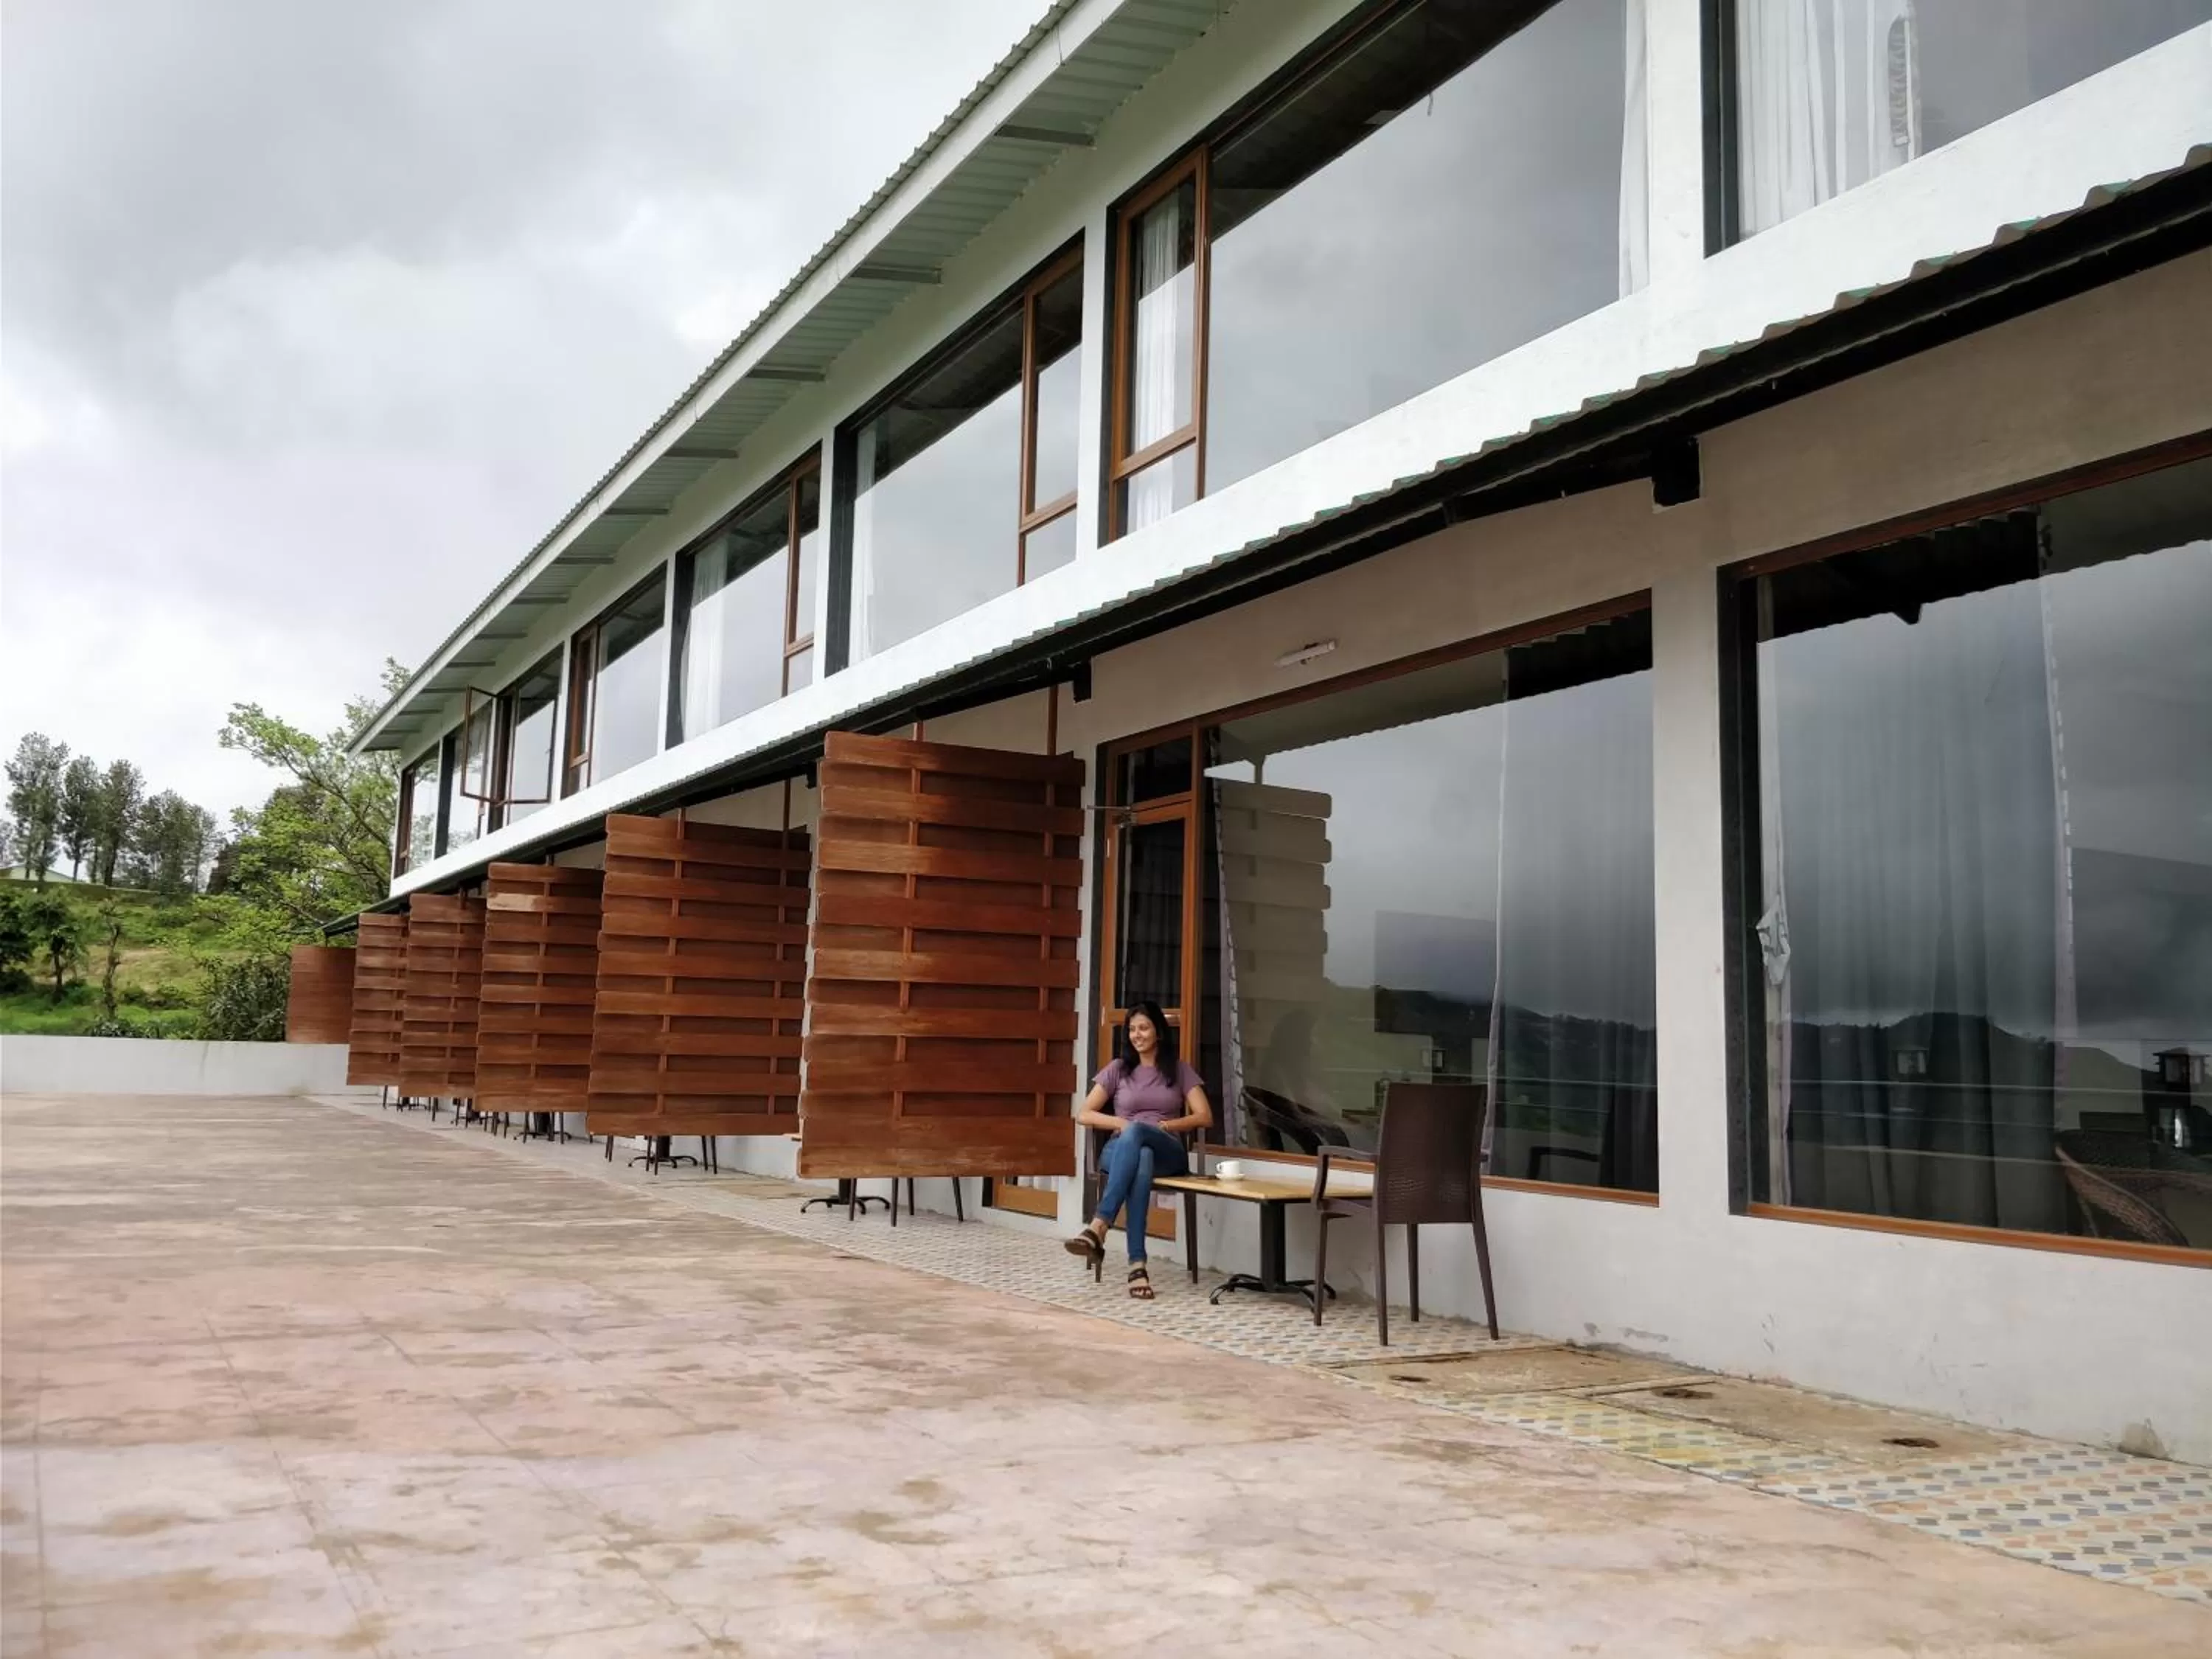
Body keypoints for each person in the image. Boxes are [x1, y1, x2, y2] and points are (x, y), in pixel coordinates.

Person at [1066, 1001, 1212, 1299]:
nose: (1137, 1035)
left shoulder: (1178, 1070)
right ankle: (1137, 1265)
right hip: (1122, 1149)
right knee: (1140, 1156)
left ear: (1158, 1032)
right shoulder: (1119, 1069)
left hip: (1167, 1150)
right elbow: (1084, 1114)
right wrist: (1123, 1123)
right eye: (1132, 1029)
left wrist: (1167, 1127)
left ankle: (1099, 1225)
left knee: (1143, 1144)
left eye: (1143, 1028)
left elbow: (1204, 1116)